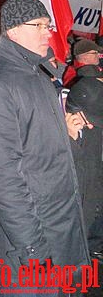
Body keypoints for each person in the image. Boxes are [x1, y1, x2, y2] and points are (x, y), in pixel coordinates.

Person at [0, 0, 90, 296]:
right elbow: (3, 179)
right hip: (25, 249)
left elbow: (44, 157)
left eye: (48, 25)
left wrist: (67, 136)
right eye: (40, 25)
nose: (48, 32)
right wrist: (33, 248)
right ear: (13, 30)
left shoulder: (40, 78)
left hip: (58, 234)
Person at [66, 63, 103, 261]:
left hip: (90, 216)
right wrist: (70, 140)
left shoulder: (94, 129)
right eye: (90, 120)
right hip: (67, 225)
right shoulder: (56, 134)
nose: (92, 125)